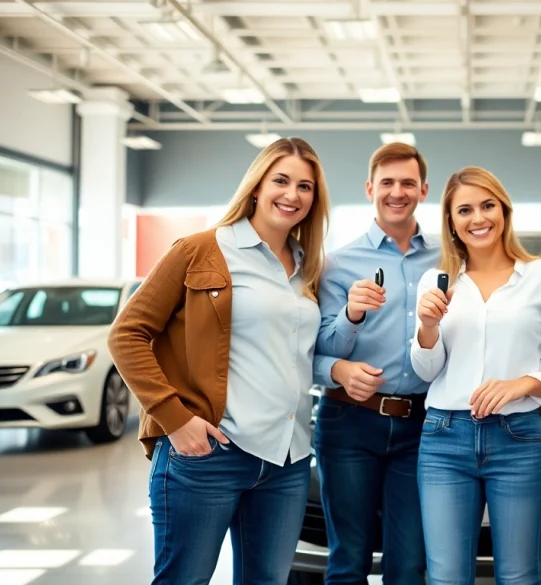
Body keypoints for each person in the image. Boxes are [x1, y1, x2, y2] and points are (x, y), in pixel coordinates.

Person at [107, 137, 330, 584]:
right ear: (255, 186)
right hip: (209, 453)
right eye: (281, 181)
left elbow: (300, 353)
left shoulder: (308, 266)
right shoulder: (200, 250)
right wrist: (175, 419)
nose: (292, 195)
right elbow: (127, 334)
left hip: (286, 461)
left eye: (305, 186)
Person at [411, 166, 541, 585]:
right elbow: (426, 371)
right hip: (444, 440)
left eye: (488, 205)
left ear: (504, 211)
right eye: (464, 210)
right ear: (451, 221)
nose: (478, 218)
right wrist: (427, 328)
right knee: (446, 577)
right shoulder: (435, 282)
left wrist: (523, 384)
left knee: (520, 576)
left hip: (519, 438)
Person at [313, 142, 437, 585]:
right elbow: (313, 351)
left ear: (423, 189)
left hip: (421, 427)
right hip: (349, 422)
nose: (397, 192)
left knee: (409, 566)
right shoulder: (337, 263)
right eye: (387, 182)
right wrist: (350, 317)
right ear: (370, 188)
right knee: (348, 561)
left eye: (407, 182)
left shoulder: (448, 259)